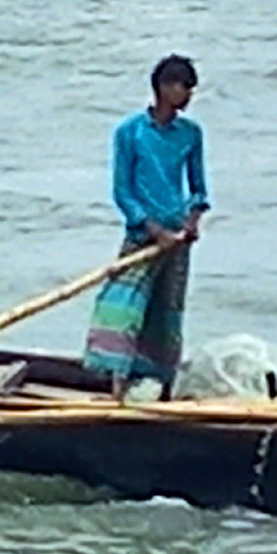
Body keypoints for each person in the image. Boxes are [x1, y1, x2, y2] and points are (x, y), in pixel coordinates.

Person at [85, 54, 211, 399]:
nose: (188, 94)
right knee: (123, 309)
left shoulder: (190, 134)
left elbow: (198, 188)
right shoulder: (131, 132)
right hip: (143, 236)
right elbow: (122, 191)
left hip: (177, 239)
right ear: (163, 88)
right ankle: (118, 390)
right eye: (183, 86)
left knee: (167, 311)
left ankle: (165, 392)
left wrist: (191, 223)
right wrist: (153, 229)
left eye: (191, 88)